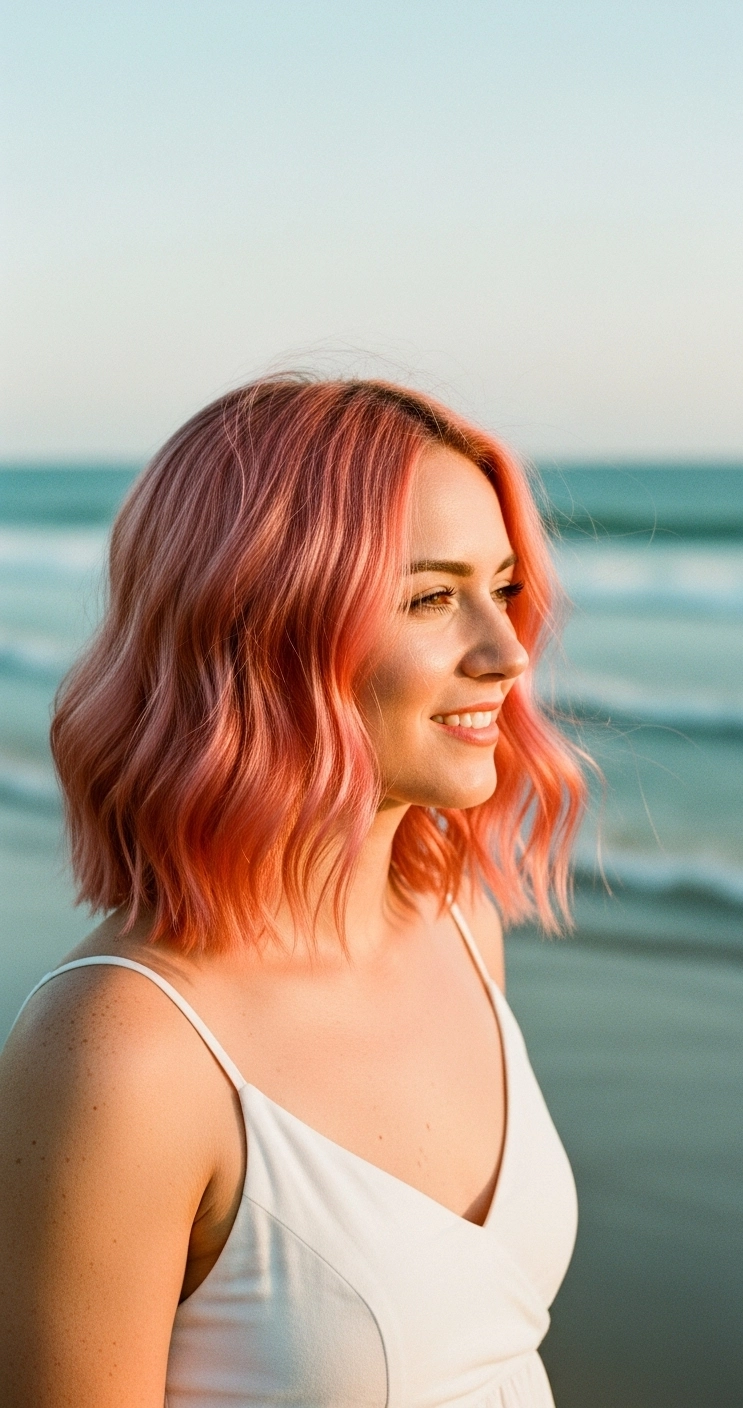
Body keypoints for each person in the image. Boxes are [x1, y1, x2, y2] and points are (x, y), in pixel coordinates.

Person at [0, 377, 587, 1407]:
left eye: (501, 587)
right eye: (432, 596)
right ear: (260, 628)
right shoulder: (123, 1049)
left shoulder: (459, 927)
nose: (506, 653)